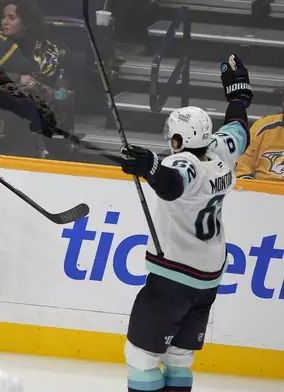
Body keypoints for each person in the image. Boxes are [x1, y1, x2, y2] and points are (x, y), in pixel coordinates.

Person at [119, 54, 252, 392]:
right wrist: (238, 97)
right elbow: (239, 129)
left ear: (178, 140)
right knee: (178, 358)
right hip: (207, 279)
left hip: (173, 279)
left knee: (140, 357)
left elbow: (172, 184)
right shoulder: (220, 150)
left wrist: (151, 168)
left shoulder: (183, 163)